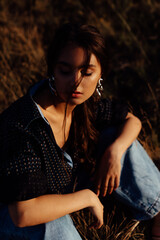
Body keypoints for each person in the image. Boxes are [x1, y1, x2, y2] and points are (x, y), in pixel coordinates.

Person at [0, 23, 159, 240]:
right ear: (52, 70)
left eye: (87, 72)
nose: (76, 82)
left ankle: (157, 212)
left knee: (120, 140)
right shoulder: (23, 125)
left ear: (101, 73)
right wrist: (87, 198)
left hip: (64, 185)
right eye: (65, 71)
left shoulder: (84, 101)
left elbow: (133, 121)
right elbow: (22, 213)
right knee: (52, 221)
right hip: (14, 211)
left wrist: (114, 152)